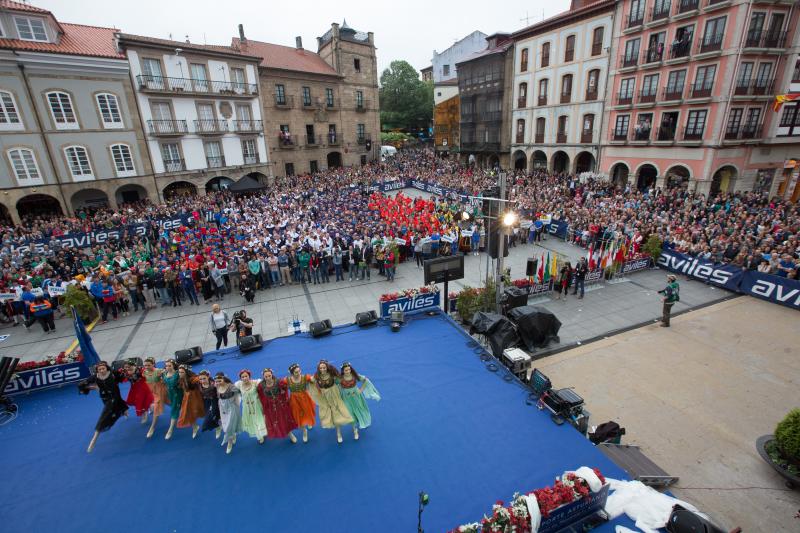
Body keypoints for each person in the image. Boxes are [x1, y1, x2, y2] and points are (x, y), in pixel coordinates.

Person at [79, 361, 129, 453]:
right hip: (105, 397)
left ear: (107, 368)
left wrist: (125, 372)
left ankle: (94, 438)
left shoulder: (113, 374)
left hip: (114, 396)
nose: (102, 371)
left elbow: (124, 376)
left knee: (105, 415)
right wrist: (90, 387)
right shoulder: (95, 377)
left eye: (103, 368)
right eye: (99, 369)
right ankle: (124, 410)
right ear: (97, 370)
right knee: (117, 406)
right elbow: (84, 384)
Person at [310, 360, 353, 444]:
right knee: (327, 412)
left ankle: (338, 433)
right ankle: (331, 423)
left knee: (336, 411)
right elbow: (311, 380)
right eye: (321, 368)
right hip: (324, 396)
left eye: (324, 367)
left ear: (327, 367)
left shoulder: (332, 374)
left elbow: (340, 380)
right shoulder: (317, 375)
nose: (322, 369)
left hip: (334, 394)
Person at [338, 362, 380, 441]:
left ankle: (362, 420)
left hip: (357, 397)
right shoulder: (340, 378)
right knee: (350, 413)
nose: (348, 371)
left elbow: (366, 380)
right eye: (346, 370)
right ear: (343, 370)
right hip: (347, 399)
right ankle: (355, 430)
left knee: (360, 409)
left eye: (349, 369)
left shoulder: (354, 376)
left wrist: (360, 390)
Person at [257, 368, 298, 443]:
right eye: (266, 377)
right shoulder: (261, 385)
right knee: (273, 421)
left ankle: (290, 434)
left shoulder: (278, 381)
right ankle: (262, 433)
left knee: (284, 420)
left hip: (280, 404)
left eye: (269, 376)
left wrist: (283, 393)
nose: (268, 378)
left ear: (272, 374)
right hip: (270, 406)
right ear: (263, 377)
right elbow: (260, 395)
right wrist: (264, 404)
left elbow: (285, 388)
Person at [285, 363, 316, 443]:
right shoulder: (287, 380)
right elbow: (280, 385)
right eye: (296, 372)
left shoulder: (305, 377)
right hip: (294, 400)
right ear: (292, 373)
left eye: (299, 371)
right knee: (298, 416)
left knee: (308, 412)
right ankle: (304, 431)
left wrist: (315, 378)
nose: (298, 373)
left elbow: (313, 379)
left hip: (305, 399)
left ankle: (309, 422)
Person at [235, 369, 267, 444]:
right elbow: (233, 391)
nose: (244, 378)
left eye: (246, 376)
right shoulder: (239, 385)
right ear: (240, 378)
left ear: (249, 376)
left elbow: (266, 384)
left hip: (257, 406)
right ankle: (260, 436)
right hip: (247, 408)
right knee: (253, 422)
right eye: (242, 377)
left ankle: (263, 432)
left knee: (260, 420)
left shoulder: (255, 383)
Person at [215, 372, 241, 454]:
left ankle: (229, 443)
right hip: (222, 408)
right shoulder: (217, 387)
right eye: (217, 381)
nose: (218, 383)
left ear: (224, 379)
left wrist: (235, 400)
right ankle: (232, 435)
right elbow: (218, 398)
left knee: (229, 426)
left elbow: (240, 392)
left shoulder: (231, 386)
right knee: (226, 424)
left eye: (220, 381)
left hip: (232, 407)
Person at [142, 357, 168, 438]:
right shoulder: (144, 372)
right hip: (151, 391)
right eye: (145, 365)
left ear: (153, 364)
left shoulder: (158, 371)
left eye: (148, 365)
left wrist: (163, 375)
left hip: (160, 391)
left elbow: (167, 374)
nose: (146, 367)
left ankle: (152, 428)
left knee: (158, 407)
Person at [122, 359, 154, 425]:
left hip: (142, 387)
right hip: (134, 389)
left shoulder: (139, 370)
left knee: (143, 401)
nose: (126, 368)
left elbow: (148, 373)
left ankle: (146, 413)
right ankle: (146, 411)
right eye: (125, 367)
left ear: (132, 365)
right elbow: (121, 376)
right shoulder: (125, 371)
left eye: (128, 366)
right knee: (137, 402)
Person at [177, 365, 205, 438]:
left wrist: (203, 377)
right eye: (179, 372)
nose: (180, 374)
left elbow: (199, 379)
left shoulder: (192, 379)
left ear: (186, 372)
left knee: (199, 410)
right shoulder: (181, 379)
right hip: (187, 397)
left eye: (182, 372)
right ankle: (195, 427)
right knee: (187, 413)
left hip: (195, 397)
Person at [162, 359, 183, 440]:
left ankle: (170, 430)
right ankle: (194, 424)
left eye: (169, 365)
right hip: (170, 394)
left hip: (178, 394)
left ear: (173, 365)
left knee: (174, 410)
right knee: (181, 409)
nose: (167, 367)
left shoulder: (178, 373)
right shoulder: (164, 373)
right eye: (166, 366)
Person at [198, 370, 221, 439]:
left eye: (204, 378)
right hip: (206, 402)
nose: (202, 380)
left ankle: (216, 427)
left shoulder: (214, 384)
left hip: (214, 401)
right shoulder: (199, 385)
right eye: (201, 379)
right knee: (209, 415)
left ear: (208, 377)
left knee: (211, 416)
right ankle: (217, 427)